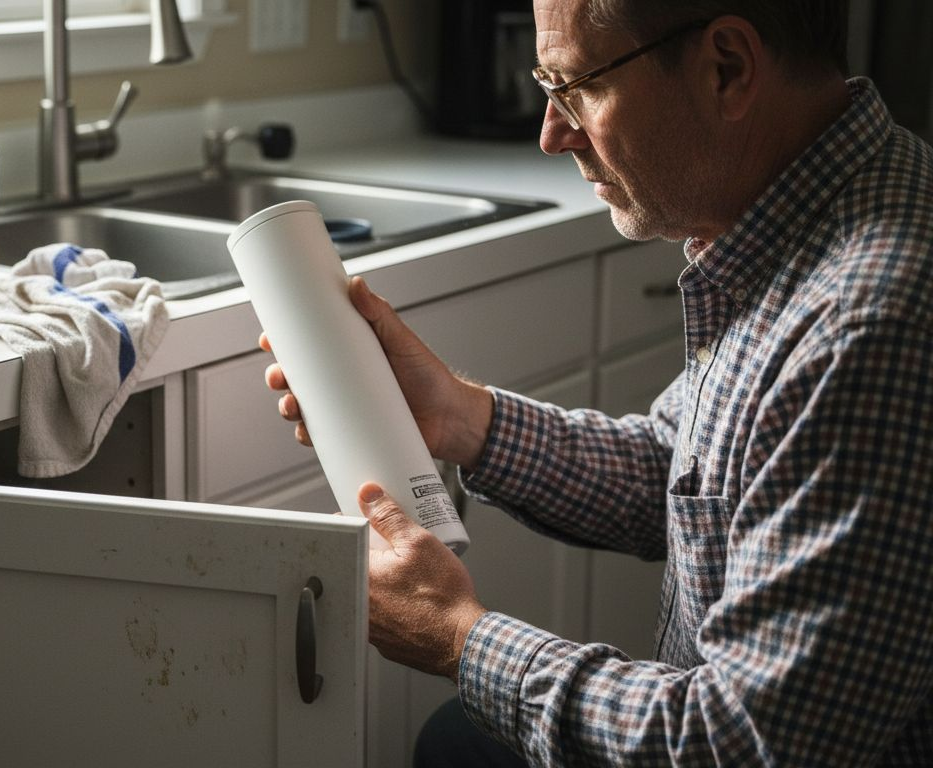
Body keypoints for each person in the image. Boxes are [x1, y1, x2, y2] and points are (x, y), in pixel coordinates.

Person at [261, 0, 933, 764]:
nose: (552, 134)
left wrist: (461, 639)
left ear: (729, 68)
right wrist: (464, 420)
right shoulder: (806, 221)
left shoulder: (867, 325)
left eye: (577, 86)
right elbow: (686, 475)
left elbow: (745, 744)